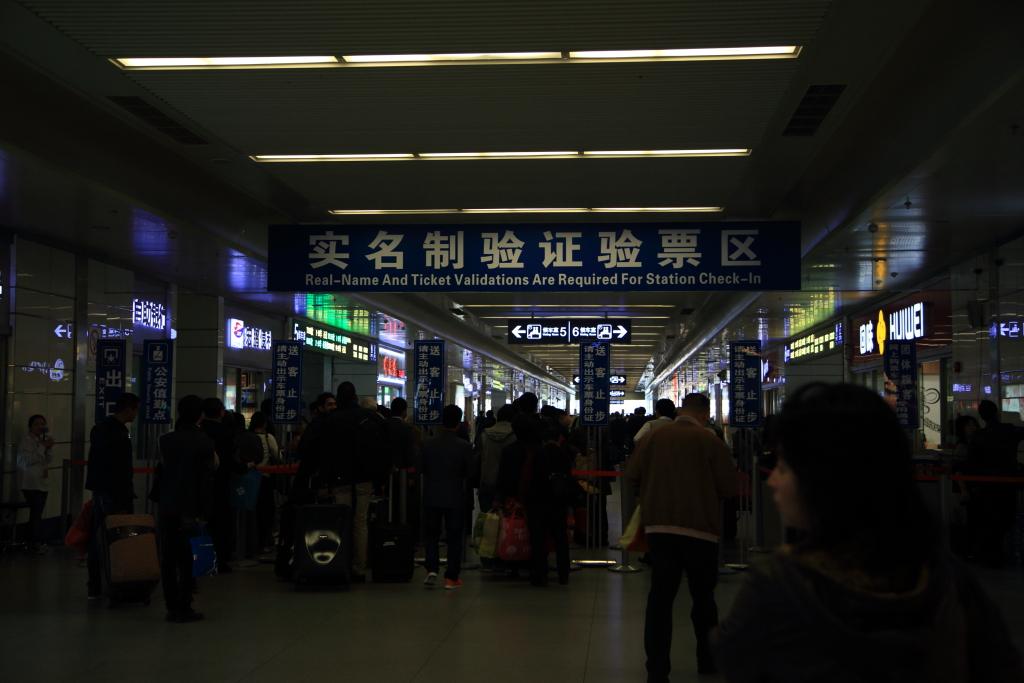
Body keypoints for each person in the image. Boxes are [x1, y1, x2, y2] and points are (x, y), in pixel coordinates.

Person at [714, 383, 1024, 682]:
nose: (772, 481)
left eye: (784, 468)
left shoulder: (778, 582)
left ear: (822, 479)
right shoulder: (946, 581)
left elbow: (734, 656)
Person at [626, 392, 738, 679]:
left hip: (659, 528)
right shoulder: (710, 441)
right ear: (704, 414)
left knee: (660, 600)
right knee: (703, 599)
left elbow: (632, 474)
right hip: (701, 531)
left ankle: (657, 669)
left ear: (680, 411)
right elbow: (729, 486)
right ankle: (707, 661)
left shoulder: (653, 437)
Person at [155, 395, 216, 623]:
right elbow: (205, 480)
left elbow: (162, 472)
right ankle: (185, 604)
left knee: (169, 557)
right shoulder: (204, 442)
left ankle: (171, 605)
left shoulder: (165, 440)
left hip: (168, 505)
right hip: (191, 507)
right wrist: (205, 510)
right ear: (200, 415)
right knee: (188, 557)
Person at [85, 393, 141, 599]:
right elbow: (121, 468)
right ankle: (119, 583)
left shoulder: (100, 428)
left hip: (100, 491)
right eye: (135, 409)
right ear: (128, 409)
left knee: (97, 537)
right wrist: (126, 494)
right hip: (116, 493)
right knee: (118, 538)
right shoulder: (119, 433)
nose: (136, 414)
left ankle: (95, 585)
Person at [420, 404, 472, 590]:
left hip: (431, 494)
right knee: (454, 536)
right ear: (458, 423)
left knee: (431, 534)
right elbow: (470, 472)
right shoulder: (465, 446)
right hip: (455, 496)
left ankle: (431, 569)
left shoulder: (428, 444)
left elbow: (422, 468)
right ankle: (451, 577)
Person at [967, 400, 1024, 566]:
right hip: (1007, 484)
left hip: (986, 487)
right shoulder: (1009, 430)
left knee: (989, 521)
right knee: (1006, 519)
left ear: (981, 417)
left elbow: (972, 463)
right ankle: (1001, 554)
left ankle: (992, 555)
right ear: (997, 413)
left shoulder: (978, 436)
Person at [525, 408, 573, 586]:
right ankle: (563, 574)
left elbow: (530, 477)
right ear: (558, 438)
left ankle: (539, 574)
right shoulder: (564, 454)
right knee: (560, 538)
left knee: (538, 539)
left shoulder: (537, 454)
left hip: (538, 501)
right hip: (558, 502)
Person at [200, 397, 244, 573]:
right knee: (221, 523)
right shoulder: (226, 433)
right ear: (221, 412)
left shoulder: (200, 431)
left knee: (202, 522)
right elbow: (230, 460)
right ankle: (220, 559)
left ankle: (201, 559)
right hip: (221, 482)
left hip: (200, 484)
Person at [17, 414, 54, 553]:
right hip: (31, 484)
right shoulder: (26, 441)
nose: (40, 427)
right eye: (37, 424)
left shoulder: (41, 440)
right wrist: (42, 447)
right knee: (35, 515)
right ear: (30, 427)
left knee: (37, 514)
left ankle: (33, 542)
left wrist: (48, 448)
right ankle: (34, 543)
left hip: (42, 482)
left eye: (42, 424)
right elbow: (25, 461)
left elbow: (48, 460)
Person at [249, 412, 280, 552]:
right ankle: (264, 541)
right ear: (265, 424)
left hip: (249, 479)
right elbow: (277, 456)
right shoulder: (268, 438)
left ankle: (252, 542)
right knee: (266, 511)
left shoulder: (248, 437)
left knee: (253, 511)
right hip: (265, 478)